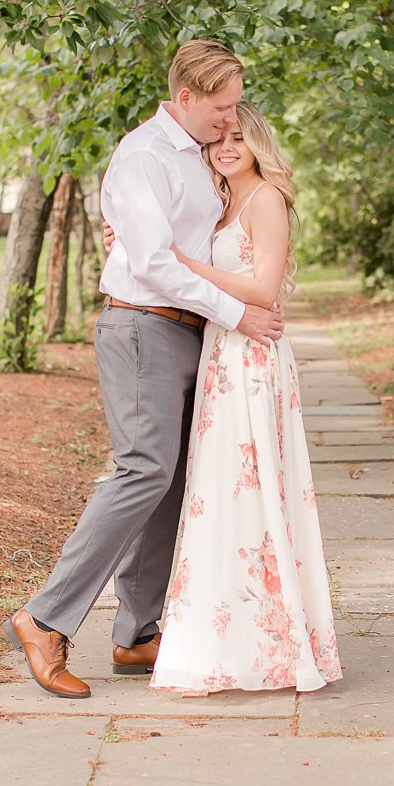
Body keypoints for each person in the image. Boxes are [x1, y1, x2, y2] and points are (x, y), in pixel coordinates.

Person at [3, 40, 285, 700]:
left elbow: (187, 243)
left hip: (194, 334)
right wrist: (237, 312)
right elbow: (154, 265)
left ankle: (137, 632)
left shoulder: (199, 160)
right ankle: (44, 618)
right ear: (185, 97)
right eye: (221, 106)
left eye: (236, 105)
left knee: (179, 477)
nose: (230, 119)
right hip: (142, 326)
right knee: (145, 468)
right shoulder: (143, 157)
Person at [143, 101, 342, 695]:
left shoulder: (266, 200)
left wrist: (182, 262)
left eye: (238, 138)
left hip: (252, 360)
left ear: (257, 142)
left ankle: (272, 643)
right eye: (216, 139)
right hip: (221, 357)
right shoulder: (221, 201)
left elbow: (263, 287)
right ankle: (223, 636)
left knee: (250, 489)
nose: (226, 148)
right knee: (220, 493)